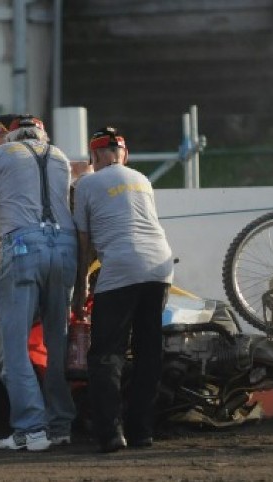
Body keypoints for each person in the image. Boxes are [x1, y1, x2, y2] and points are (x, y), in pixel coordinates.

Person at [0, 114, 77, 451]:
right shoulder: (59, 156)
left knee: (14, 346)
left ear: (11, 135)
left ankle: (31, 429)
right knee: (56, 342)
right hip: (65, 247)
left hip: (21, 245)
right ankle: (60, 426)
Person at [71, 127, 175, 453]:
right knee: (148, 352)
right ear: (124, 154)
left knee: (106, 354)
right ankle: (142, 431)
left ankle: (111, 434)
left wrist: (79, 291)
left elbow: (83, 244)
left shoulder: (86, 183)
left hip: (120, 267)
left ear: (95, 157)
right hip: (160, 265)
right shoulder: (142, 179)